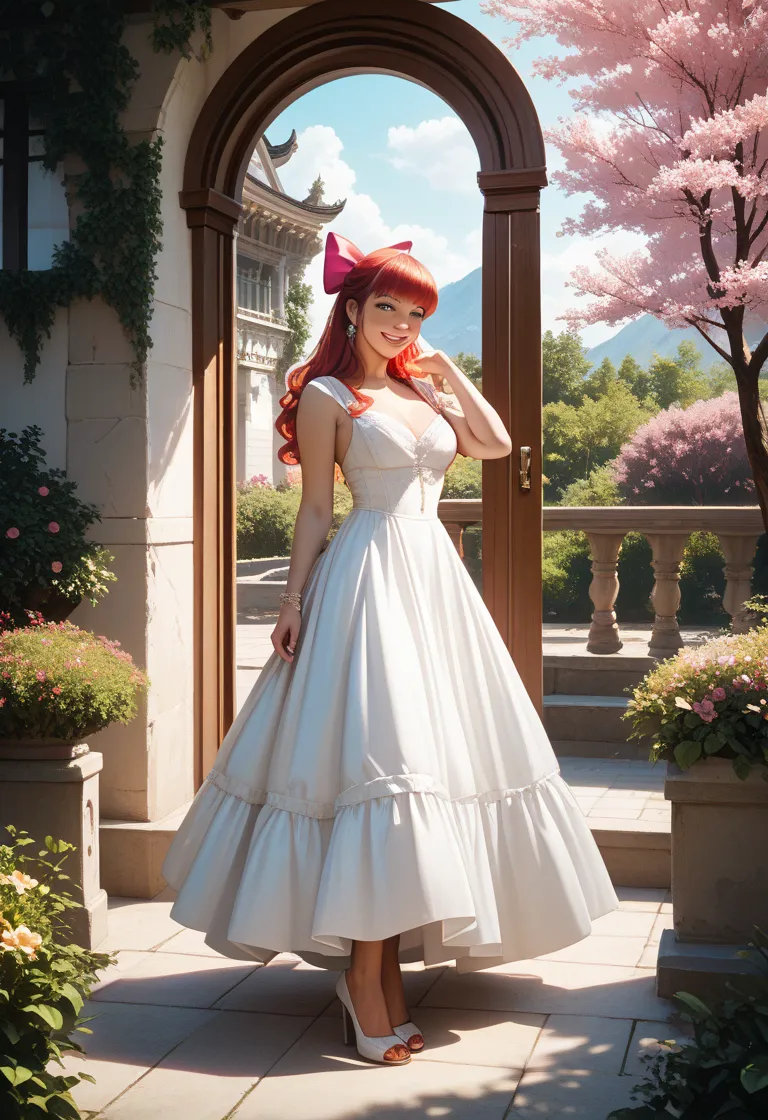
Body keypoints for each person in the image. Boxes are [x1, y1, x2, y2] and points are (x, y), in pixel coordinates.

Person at [162, 232, 618, 1067]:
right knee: (387, 775)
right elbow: (313, 514)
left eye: (414, 314)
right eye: (387, 308)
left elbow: (495, 445)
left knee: (434, 775)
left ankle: (385, 981)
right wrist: (294, 600)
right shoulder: (331, 395)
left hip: (435, 588)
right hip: (365, 587)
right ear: (351, 309)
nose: (401, 325)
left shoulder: (423, 393)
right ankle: (368, 986)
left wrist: (447, 372)